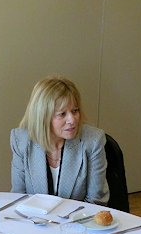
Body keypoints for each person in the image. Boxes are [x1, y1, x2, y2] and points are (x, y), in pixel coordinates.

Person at [10, 76, 109, 204]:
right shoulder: (21, 140)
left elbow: (96, 201)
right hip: (33, 216)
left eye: (75, 111)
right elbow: (19, 197)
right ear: (43, 117)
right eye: (62, 114)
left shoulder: (93, 141)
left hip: (79, 216)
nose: (72, 120)